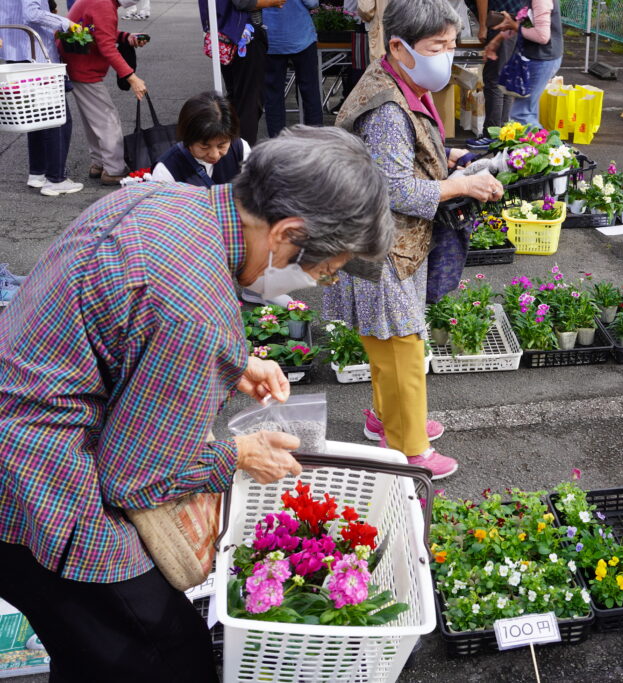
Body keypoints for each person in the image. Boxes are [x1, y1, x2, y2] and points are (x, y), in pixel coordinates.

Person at [0, 126, 394, 680]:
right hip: (36, 490)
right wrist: (237, 455)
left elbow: (120, 324)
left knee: (89, 647)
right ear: (288, 233)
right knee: (161, 649)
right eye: (323, 269)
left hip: (20, 423)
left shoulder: (165, 198)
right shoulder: (199, 312)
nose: (313, 283)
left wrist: (234, 365)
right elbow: (134, 479)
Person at [324, 0, 504, 479]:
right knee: (402, 344)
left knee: (387, 341)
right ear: (400, 47)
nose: (447, 56)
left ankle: (387, 420)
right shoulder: (387, 106)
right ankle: (409, 448)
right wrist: (461, 184)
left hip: (377, 241)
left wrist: (451, 156)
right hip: (380, 245)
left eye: (451, 45)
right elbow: (395, 187)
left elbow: (404, 156)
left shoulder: (397, 84)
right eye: (437, 46)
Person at [0, 0, 82, 196]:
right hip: (36, 52)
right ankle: (56, 178)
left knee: (35, 117)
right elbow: (32, 13)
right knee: (59, 118)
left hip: (15, 50)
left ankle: (38, 173)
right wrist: (66, 24)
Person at [63, 0, 149, 185]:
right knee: (107, 119)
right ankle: (114, 169)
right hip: (85, 68)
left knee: (94, 119)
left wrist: (126, 37)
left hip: (77, 63)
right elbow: (107, 46)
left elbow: (98, 31)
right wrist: (132, 78)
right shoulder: (104, 5)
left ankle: (99, 163)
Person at [202, 0, 287, 146]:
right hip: (244, 38)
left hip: (228, 36)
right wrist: (273, 2)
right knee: (249, 102)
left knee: (238, 99)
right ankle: (242, 156)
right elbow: (243, 2)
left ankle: (231, 150)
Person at [484, 0, 563, 128]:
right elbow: (524, 21)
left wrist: (515, 26)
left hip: (543, 58)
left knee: (522, 114)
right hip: (538, 57)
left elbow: (542, 36)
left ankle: (555, 147)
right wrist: (497, 40)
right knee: (527, 111)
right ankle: (538, 146)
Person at [151, 91, 251, 186]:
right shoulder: (166, 171)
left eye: (221, 145)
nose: (214, 155)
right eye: (204, 147)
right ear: (187, 138)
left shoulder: (240, 149)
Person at [263, 0, 324, 137]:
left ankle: (277, 143)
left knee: (273, 97)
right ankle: (316, 140)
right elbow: (312, 3)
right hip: (302, 35)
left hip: (271, 38)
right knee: (311, 93)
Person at [466, 0, 518, 149]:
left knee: (494, 80)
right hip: (518, 22)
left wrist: (483, 26)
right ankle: (502, 132)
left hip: (500, 22)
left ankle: (492, 135)